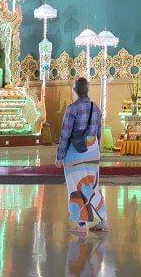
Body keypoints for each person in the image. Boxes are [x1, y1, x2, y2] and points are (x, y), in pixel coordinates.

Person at [57, 77, 108, 235]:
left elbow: (65, 134)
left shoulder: (72, 109)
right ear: (87, 90)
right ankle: (103, 221)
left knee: (76, 186)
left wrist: (60, 156)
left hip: (75, 151)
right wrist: (95, 150)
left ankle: (82, 225)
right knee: (91, 186)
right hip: (92, 149)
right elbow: (99, 133)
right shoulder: (97, 108)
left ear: (74, 90)